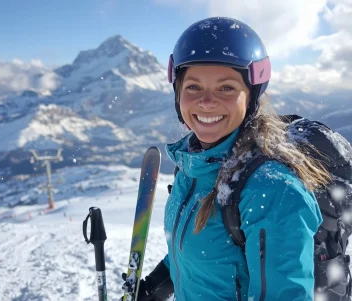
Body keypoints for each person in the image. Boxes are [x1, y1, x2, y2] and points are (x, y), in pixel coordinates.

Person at [121, 16, 332, 301]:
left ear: (251, 96)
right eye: (193, 87)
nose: (206, 101)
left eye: (226, 88)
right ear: (177, 93)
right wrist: (155, 287)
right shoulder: (192, 167)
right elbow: (196, 252)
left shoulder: (272, 190)